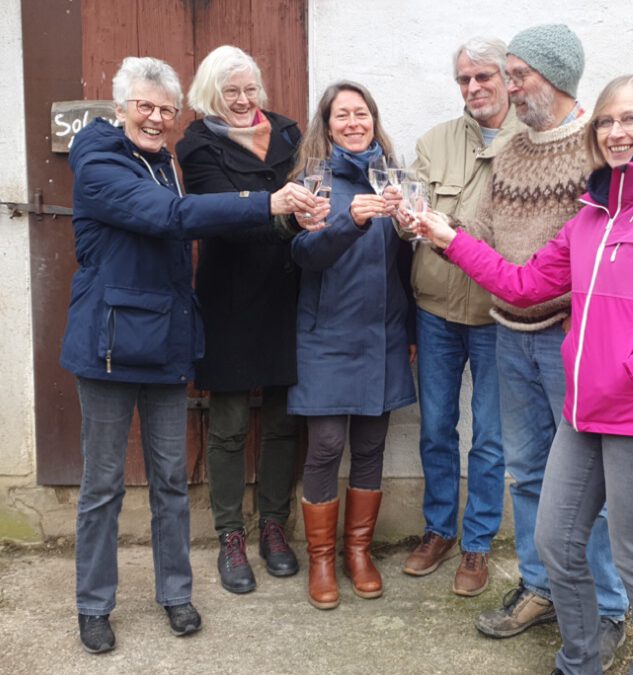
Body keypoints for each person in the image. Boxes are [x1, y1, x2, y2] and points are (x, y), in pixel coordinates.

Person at [417, 73, 633, 675]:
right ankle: (579, 661)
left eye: (629, 118)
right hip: (585, 410)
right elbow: (522, 286)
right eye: (605, 122)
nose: (616, 132)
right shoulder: (592, 216)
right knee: (556, 544)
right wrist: (448, 239)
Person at [61, 55, 319, 653]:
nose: (155, 117)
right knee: (102, 488)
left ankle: (175, 593)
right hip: (109, 345)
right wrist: (267, 203)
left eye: (165, 109)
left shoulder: (165, 163)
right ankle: (93, 606)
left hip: (166, 342)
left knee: (172, 483)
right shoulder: (99, 160)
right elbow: (168, 218)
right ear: (120, 107)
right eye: (145, 106)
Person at [428, 25, 627, 664]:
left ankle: (607, 605)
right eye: (505, 76)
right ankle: (542, 589)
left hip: (571, 338)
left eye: (519, 76)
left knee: (587, 482)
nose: (508, 88)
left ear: (559, 75)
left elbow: (601, 254)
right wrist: (432, 227)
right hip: (509, 334)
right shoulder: (512, 151)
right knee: (529, 471)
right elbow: (481, 229)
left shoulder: (596, 147)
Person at [176, 45, 311, 594]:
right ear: (212, 94)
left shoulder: (287, 133)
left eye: (249, 88)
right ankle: (231, 533)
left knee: (282, 418)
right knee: (229, 424)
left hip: (286, 288)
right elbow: (219, 213)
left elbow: (312, 191)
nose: (242, 99)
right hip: (230, 293)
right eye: (230, 90)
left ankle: (274, 526)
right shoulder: (197, 144)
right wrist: (282, 210)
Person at [401, 37, 524, 597]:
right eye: (463, 80)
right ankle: (438, 530)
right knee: (435, 428)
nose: (473, 88)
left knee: (492, 438)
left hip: (500, 315)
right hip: (437, 309)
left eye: (483, 77)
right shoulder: (436, 141)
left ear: (507, 78)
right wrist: (406, 219)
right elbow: (412, 210)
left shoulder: (533, 141)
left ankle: (477, 544)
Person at [287, 81, 417, 610]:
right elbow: (304, 255)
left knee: (369, 447)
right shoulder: (311, 181)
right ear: (327, 123)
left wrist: (408, 330)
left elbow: (406, 267)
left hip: (382, 334)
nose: (353, 122)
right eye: (342, 115)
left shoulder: (396, 180)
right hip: (325, 336)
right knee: (325, 446)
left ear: (373, 119)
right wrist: (353, 220)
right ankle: (321, 559)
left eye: (361, 113)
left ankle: (357, 553)